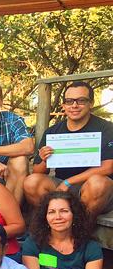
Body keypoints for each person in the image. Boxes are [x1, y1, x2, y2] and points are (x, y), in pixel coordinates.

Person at [25, 81, 113, 221]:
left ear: (91, 103)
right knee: (31, 182)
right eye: (69, 101)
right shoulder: (53, 132)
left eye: (81, 100)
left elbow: (108, 167)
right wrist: (45, 160)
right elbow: (37, 172)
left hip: (95, 189)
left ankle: (81, 231)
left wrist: (68, 182)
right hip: (61, 185)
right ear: (63, 105)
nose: (74, 105)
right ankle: (50, 226)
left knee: (98, 183)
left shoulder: (106, 128)